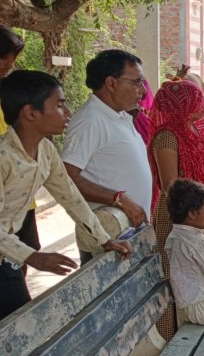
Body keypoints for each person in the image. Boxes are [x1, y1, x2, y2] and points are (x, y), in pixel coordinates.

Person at [0, 70, 131, 319]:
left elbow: (70, 196)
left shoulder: (46, 151)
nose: (68, 112)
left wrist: (103, 239)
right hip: (11, 254)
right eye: (60, 105)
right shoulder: (3, 158)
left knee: (18, 325)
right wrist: (32, 256)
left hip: (6, 259)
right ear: (30, 113)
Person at [149, 79, 204, 339]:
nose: (201, 106)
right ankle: (179, 338)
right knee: (182, 276)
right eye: (194, 101)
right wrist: (195, 213)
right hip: (181, 215)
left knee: (203, 271)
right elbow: (172, 185)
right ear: (179, 106)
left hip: (199, 211)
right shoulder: (167, 137)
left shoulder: (190, 130)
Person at [62, 50, 152, 263]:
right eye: (137, 82)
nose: (142, 90)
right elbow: (66, 177)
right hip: (107, 237)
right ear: (111, 83)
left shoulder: (119, 115)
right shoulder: (90, 120)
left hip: (128, 233)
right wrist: (118, 199)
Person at [0, 25, 42, 273]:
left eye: (10, 64)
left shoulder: (9, 96)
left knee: (21, 260)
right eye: (3, 64)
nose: (7, 69)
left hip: (22, 201)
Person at [165, 179, 204, 326]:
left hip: (185, 304)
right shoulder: (195, 240)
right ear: (192, 213)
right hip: (201, 305)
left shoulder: (175, 235)